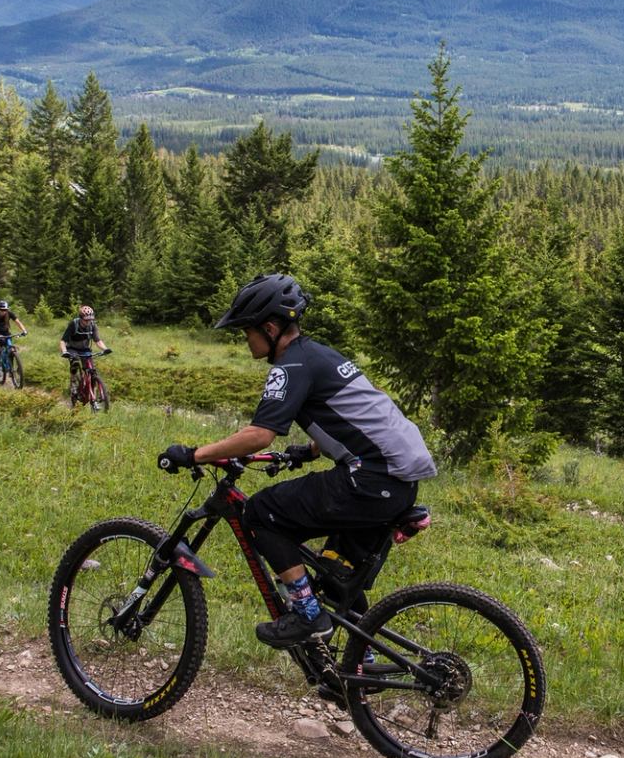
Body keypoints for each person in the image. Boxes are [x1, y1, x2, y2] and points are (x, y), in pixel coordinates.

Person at [158, 273, 436, 648]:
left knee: (261, 513)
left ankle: (307, 616)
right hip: (394, 480)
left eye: (248, 332)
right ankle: (359, 664)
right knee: (336, 576)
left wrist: (194, 454)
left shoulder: (290, 366)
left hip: (372, 479)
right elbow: (352, 418)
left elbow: (260, 434)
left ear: (270, 329)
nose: (246, 340)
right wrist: (307, 452)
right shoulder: (319, 354)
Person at [60, 304, 109, 388]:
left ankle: (92, 393)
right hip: (72, 349)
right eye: (86, 320)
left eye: (90, 320)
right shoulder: (73, 324)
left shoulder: (93, 326)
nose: (88, 322)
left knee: (92, 371)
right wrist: (64, 351)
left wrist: (105, 349)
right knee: (75, 362)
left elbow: (97, 340)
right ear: (80, 318)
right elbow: (63, 341)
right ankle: (73, 382)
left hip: (85, 349)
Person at [0, 300, 28, 371]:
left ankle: (11, 368)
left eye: (5, 310)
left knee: (11, 348)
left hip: (5, 332)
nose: (3, 311)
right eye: (1, 310)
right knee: (2, 343)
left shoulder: (9, 314)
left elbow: (18, 322)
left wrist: (24, 330)